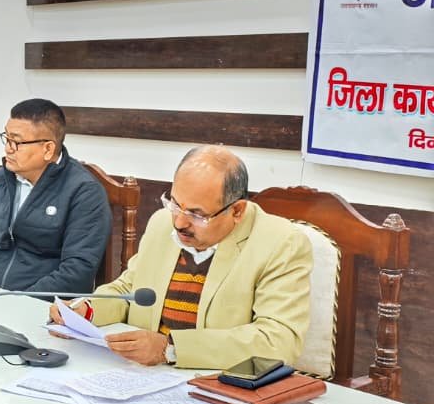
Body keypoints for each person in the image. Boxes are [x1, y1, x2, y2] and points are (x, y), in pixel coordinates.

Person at [50, 145, 313, 370]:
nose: (179, 222)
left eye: (197, 214)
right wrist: (86, 310)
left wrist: (171, 349)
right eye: (175, 203)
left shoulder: (281, 243)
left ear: (237, 211)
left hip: (215, 385)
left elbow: (278, 341)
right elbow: (128, 290)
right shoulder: (162, 223)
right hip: (142, 376)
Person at [0, 98, 111, 295]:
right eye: (7, 138)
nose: (8, 149)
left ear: (48, 149)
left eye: (17, 142)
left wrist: (19, 302)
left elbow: (77, 271)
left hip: (42, 306)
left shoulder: (84, 192)